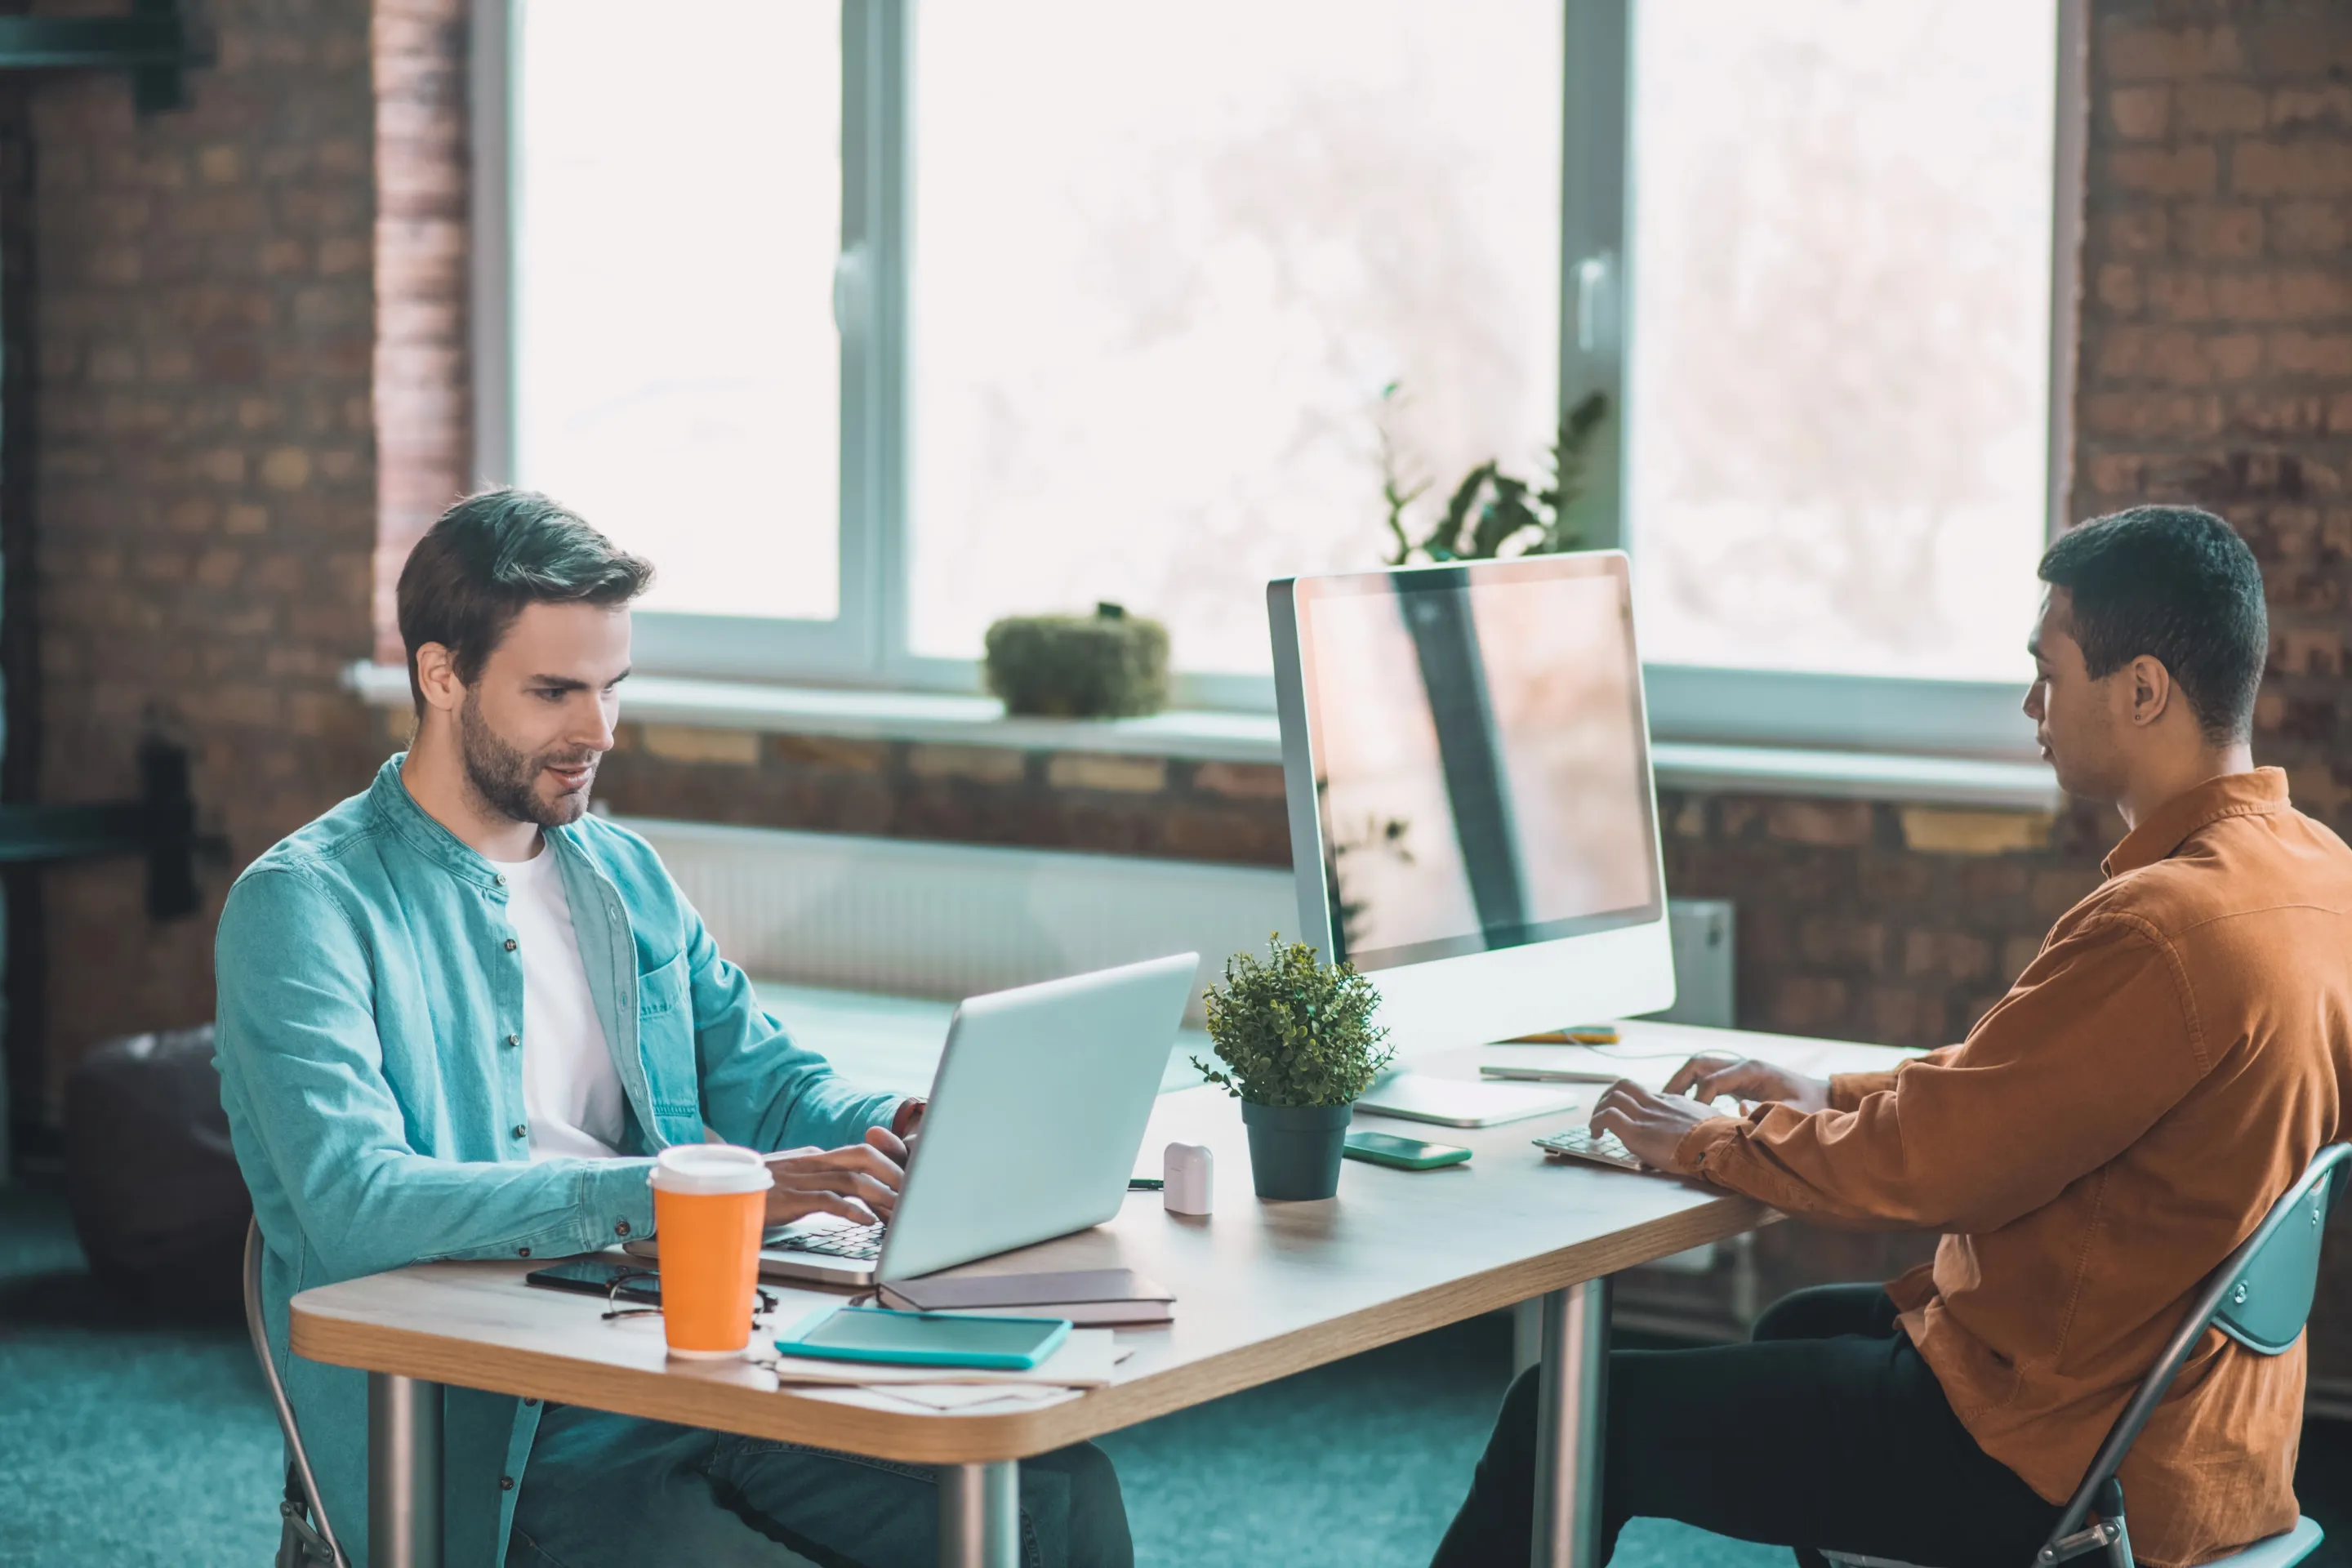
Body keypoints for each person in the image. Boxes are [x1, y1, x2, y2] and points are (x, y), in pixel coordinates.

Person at [216, 489, 1132, 1568]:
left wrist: (902, 1125)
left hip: (697, 1362)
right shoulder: (306, 908)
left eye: (612, 688)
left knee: (1052, 1497)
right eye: (555, 691)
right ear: (441, 675)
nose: (598, 731)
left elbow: (765, 1080)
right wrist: (668, 1197)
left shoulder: (619, 871)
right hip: (510, 1425)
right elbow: (354, 1206)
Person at [1432, 506, 2352, 1568]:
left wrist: (1705, 1143)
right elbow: (2026, 1094)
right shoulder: (2315, 874)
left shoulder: (2162, 929)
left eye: (2049, 674)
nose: (2030, 704)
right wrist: (1822, 1091)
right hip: (2197, 1422)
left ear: (2143, 689)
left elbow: (1942, 1169)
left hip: (2056, 1458)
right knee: (1793, 1332)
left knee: (1566, 1416)